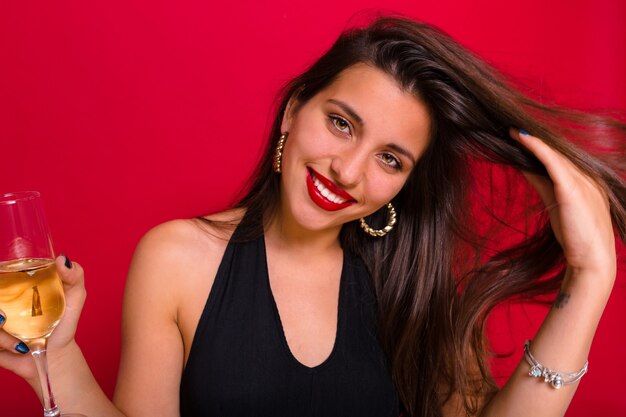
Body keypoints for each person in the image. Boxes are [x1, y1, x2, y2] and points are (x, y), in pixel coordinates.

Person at [1, 16, 625, 417]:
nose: (348, 171)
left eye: (390, 158)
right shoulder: (177, 259)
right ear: (293, 111)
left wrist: (590, 275)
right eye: (340, 123)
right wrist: (56, 361)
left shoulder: (415, 286)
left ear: (407, 183)